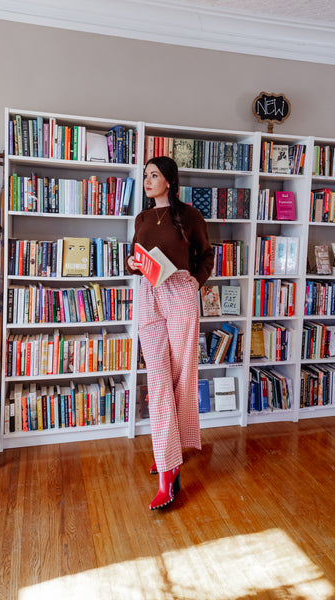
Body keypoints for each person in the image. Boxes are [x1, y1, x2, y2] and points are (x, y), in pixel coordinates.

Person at [127, 156, 214, 510]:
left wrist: (198, 280)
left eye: (154, 175)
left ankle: (169, 462)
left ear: (169, 180)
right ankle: (167, 462)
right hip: (149, 294)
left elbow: (206, 255)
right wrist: (132, 263)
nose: (148, 180)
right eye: (145, 175)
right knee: (159, 380)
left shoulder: (190, 216)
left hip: (179, 292)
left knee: (181, 377)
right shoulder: (143, 218)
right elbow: (136, 256)